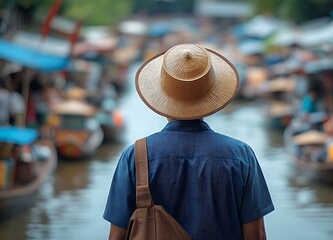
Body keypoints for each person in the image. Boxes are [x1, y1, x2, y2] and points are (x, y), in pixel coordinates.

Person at [103, 44, 274, 240]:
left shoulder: (135, 156)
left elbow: (116, 236)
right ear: (210, 96)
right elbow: (256, 235)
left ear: (163, 97)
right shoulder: (241, 155)